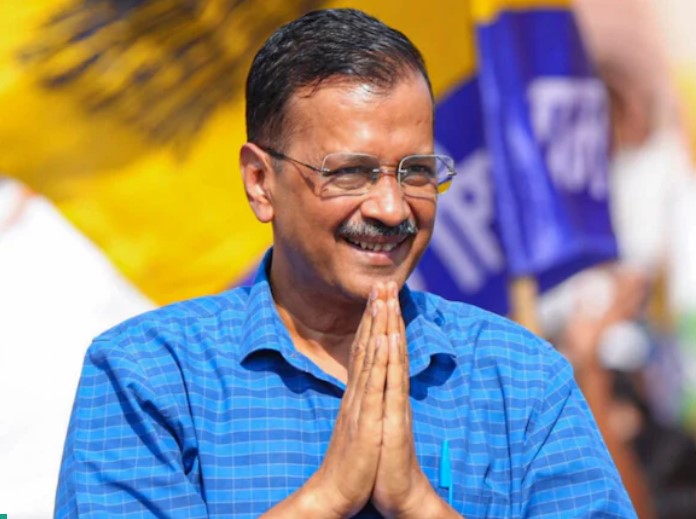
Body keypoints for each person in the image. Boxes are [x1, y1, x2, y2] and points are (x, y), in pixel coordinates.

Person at [55, 8, 636, 518]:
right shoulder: (152, 377)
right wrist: (327, 497)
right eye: (351, 173)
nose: (391, 207)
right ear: (260, 182)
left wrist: (417, 504)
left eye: (416, 171)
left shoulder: (520, 379)